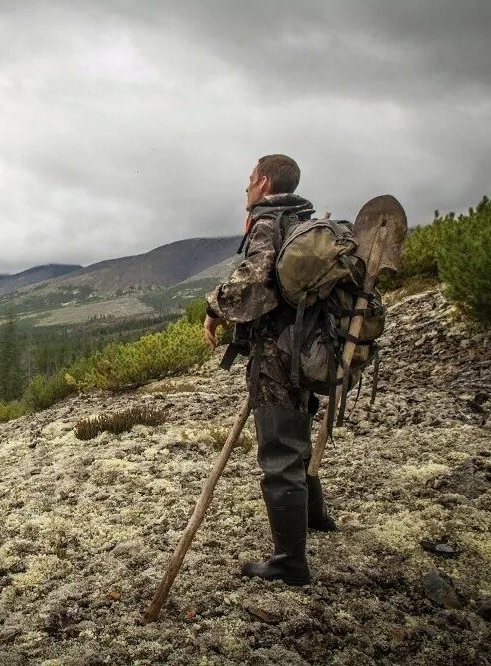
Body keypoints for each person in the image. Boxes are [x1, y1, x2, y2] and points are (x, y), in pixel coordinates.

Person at [203, 154, 336, 587]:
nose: (245, 188)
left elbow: (255, 285)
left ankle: (289, 562)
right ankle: (315, 518)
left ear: (262, 182)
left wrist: (214, 308)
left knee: (279, 452)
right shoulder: (304, 220)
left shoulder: (268, 222)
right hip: (307, 349)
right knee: (297, 437)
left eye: (248, 179)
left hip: (278, 356)